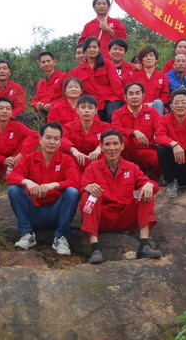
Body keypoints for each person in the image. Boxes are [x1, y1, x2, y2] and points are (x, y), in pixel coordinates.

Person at [80, 130, 161, 264]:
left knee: (145, 193)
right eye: (107, 144)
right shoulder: (93, 167)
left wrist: (149, 185)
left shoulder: (132, 167)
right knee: (88, 197)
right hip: (102, 218)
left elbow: (151, 184)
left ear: (122, 146)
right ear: (101, 148)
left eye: (115, 144)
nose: (112, 148)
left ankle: (144, 246)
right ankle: (95, 248)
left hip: (125, 217)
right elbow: (82, 187)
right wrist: (87, 188)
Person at [7, 122, 80, 256]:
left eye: (56, 139)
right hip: (33, 211)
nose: (51, 142)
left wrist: (54, 185)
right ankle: (27, 234)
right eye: (48, 137)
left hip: (55, 213)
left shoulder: (66, 160)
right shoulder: (29, 158)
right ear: (40, 139)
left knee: (72, 192)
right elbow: (12, 176)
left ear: (60, 142)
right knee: (14, 190)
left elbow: (75, 181)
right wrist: (27, 182)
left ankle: (61, 237)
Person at [0, 97, 39, 195]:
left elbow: (35, 137)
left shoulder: (17, 126)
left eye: (8, 109)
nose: (4, 111)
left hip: (12, 166)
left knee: (28, 141)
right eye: (1, 108)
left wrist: (20, 154)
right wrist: (2, 160)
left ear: (12, 113)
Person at [111, 82, 162, 180]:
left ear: (143, 96)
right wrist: (134, 132)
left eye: (137, 93)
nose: (134, 97)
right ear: (125, 97)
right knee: (123, 140)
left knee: (161, 156)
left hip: (147, 149)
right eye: (131, 94)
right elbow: (115, 129)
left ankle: (150, 179)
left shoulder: (152, 112)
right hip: (127, 152)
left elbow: (160, 129)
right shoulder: (118, 113)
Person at [72, 36, 124, 122]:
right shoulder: (78, 70)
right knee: (94, 121)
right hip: (92, 102)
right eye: (89, 47)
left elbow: (116, 85)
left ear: (99, 49)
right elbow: (78, 92)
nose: (92, 50)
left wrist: (127, 102)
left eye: (94, 47)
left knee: (113, 115)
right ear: (85, 51)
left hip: (111, 99)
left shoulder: (107, 64)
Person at [61, 95, 111, 172]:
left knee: (107, 151)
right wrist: (74, 151)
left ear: (96, 110)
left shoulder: (104, 126)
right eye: (83, 107)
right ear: (77, 110)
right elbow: (61, 138)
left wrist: (99, 148)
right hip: (76, 162)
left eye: (90, 108)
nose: (87, 111)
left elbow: (110, 138)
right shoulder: (69, 127)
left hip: (98, 161)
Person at [128, 45, 169, 115]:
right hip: (138, 108)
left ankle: (158, 122)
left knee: (158, 103)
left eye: (151, 55)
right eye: (145, 56)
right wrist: (142, 105)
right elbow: (129, 95)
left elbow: (166, 97)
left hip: (156, 108)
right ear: (141, 60)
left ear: (156, 59)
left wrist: (152, 104)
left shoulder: (162, 77)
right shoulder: (134, 77)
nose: (148, 58)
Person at [26, 51, 66, 123]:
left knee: (28, 120)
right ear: (39, 64)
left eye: (48, 61)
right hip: (41, 111)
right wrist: (37, 105)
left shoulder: (63, 77)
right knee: (19, 117)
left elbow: (66, 97)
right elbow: (34, 101)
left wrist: (52, 105)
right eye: (43, 62)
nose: (46, 64)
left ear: (54, 62)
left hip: (56, 111)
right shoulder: (40, 83)